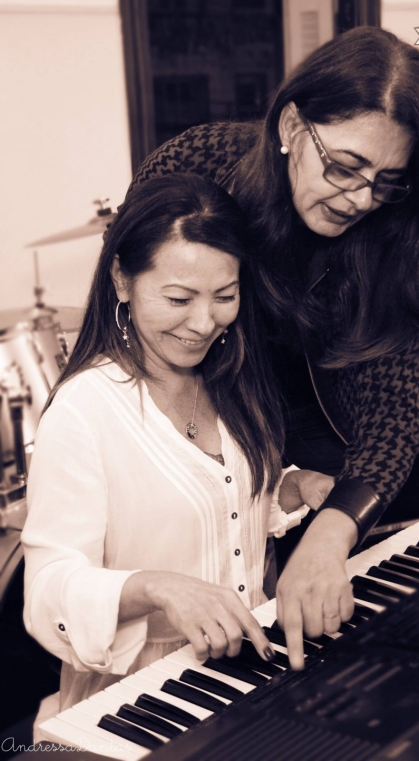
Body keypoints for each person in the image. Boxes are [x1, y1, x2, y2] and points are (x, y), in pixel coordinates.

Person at [129, 26, 419, 669]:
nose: (362, 199)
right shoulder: (198, 165)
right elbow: (144, 307)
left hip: (326, 463)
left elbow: (390, 419)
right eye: (345, 166)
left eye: (389, 182)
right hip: (207, 432)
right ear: (290, 125)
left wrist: (332, 532)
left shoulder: (390, 237)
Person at [22, 173, 331, 721]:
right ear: (122, 279)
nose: (203, 322)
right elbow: (47, 592)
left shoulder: (230, 379)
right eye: (179, 298)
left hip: (250, 675)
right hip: (143, 699)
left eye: (225, 297)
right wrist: (155, 589)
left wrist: (287, 491)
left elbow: (221, 505)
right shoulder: (83, 410)